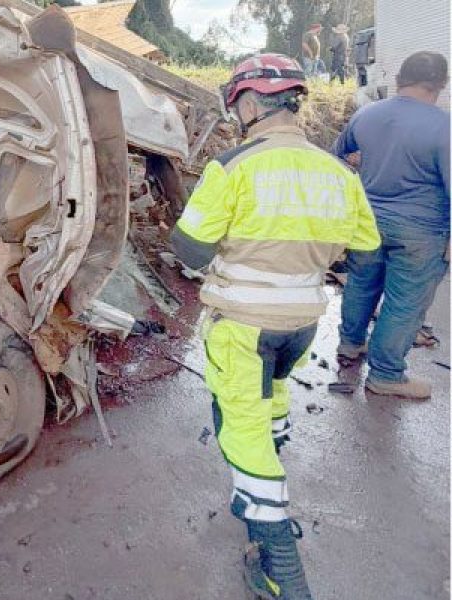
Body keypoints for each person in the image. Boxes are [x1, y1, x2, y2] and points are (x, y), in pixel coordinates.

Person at [171, 54, 380, 599]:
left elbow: (188, 248)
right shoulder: (340, 174)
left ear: (244, 103)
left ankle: (280, 571)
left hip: (241, 325)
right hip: (303, 324)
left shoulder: (233, 166)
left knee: (241, 430)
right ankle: (268, 471)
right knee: (273, 396)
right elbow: (364, 253)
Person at [333, 51, 450, 399]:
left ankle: (351, 344)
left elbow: (337, 156)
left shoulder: (366, 115)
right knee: (405, 301)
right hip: (421, 232)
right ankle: (386, 374)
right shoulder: (444, 127)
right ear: (441, 84)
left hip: (367, 222)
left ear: (399, 79)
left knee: (361, 284)